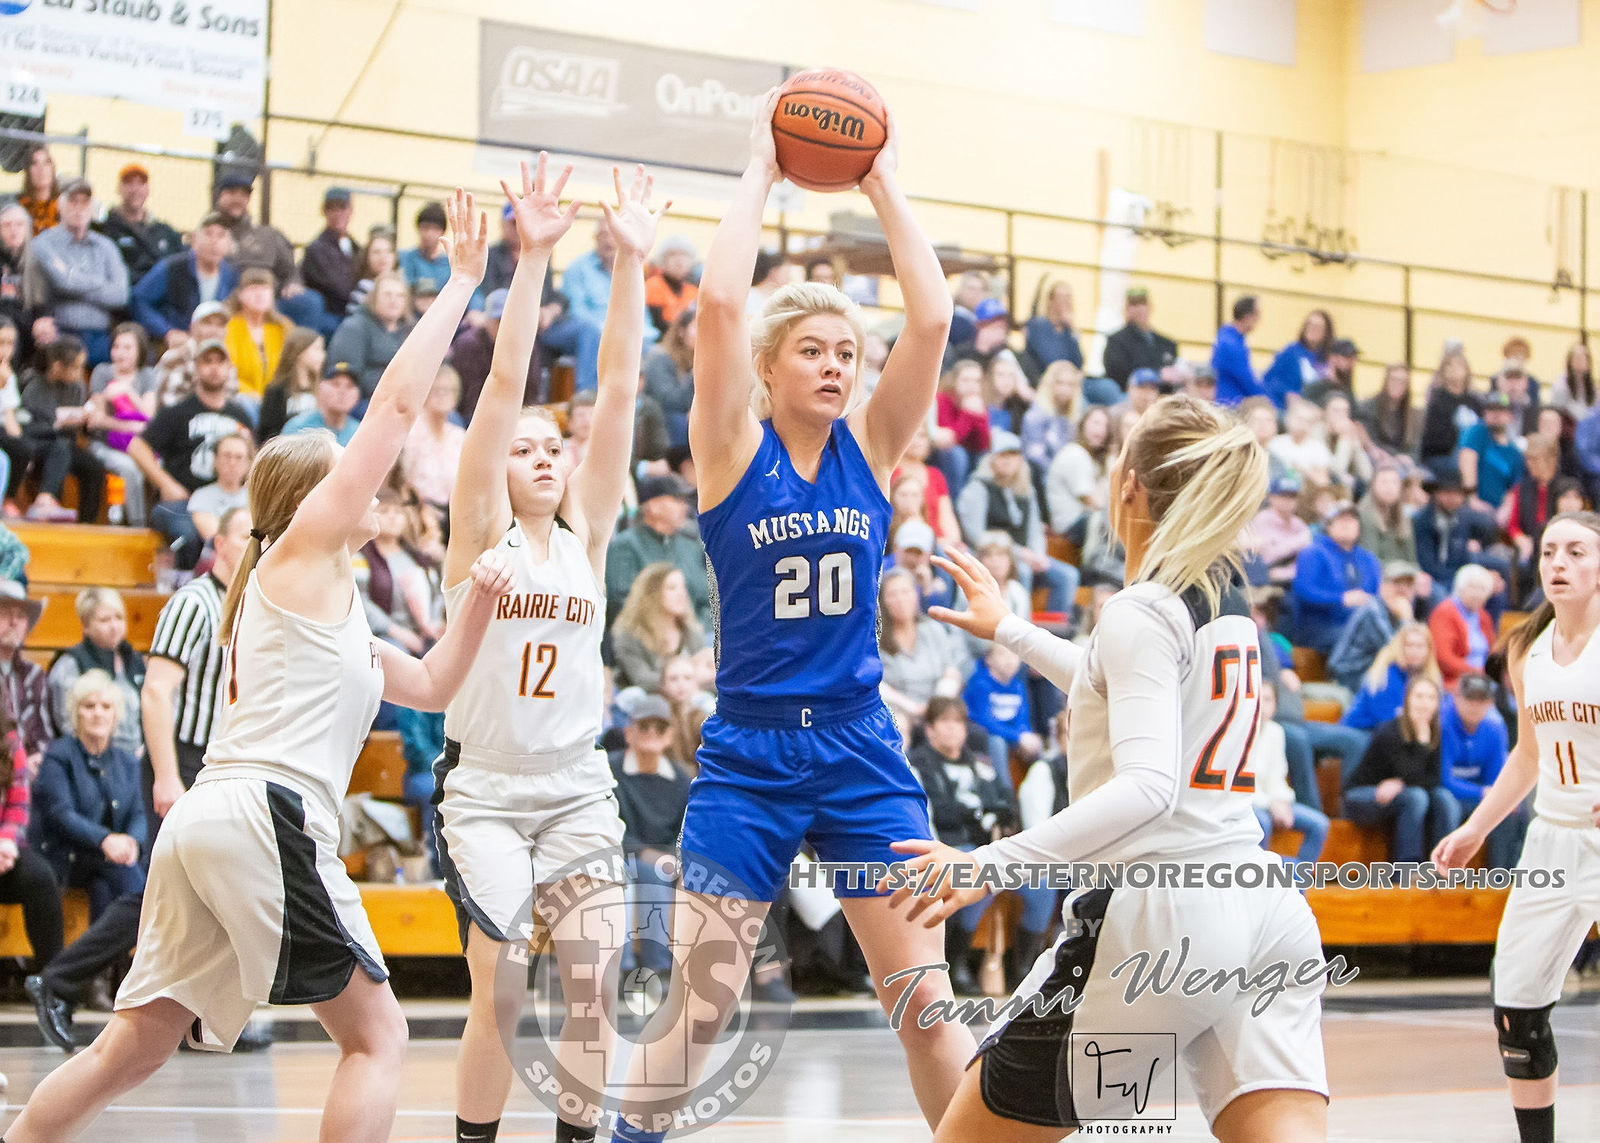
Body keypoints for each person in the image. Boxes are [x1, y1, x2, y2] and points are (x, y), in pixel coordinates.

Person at [0, 186, 511, 1143]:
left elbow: (438, 685)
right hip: (267, 812)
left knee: (134, 1046)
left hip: (213, 818)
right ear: (314, 495)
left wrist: (478, 602)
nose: (376, 479)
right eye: (352, 470)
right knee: (378, 1037)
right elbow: (398, 403)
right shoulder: (299, 552)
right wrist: (464, 284)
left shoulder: (328, 603)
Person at [613, 95, 972, 1143]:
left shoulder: (872, 448)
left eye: (846, 353)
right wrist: (762, 174)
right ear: (770, 369)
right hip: (750, 755)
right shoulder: (730, 452)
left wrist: (880, 182)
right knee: (696, 1013)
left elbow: (935, 318)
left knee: (923, 1008)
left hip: (860, 748)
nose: (833, 364)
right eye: (812, 349)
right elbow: (721, 308)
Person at [895, 393, 1328, 1141]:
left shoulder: (1143, 608)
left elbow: (1149, 788)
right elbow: (1122, 687)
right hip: (1260, 911)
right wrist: (1013, 631)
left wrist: (989, 863)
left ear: (1128, 482)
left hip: (1159, 929)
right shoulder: (1225, 594)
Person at [432, 158, 660, 1143]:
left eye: (547, 447)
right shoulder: (477, 528)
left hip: (575, 785)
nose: (537, 453)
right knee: (501, 993)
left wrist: (630, 264)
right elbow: (498, 397)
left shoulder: (591, 537)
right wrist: (529, 261)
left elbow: (618, 387)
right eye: (521, 445)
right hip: (484, 790)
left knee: (593, 987)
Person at [25, 509, 254, 1054]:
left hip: (219, 763)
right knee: (164, 892)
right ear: (217, 543)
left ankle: (194, 1015)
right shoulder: (193, 603)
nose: (255, 544)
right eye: (245, 534)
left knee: (202, 894)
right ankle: (57, 982)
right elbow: (155, 692)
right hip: (183, 759)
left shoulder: (245, 605)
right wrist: (169, 776)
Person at [1433, 512, 1600, 1143]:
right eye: (1550, 550)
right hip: (1550, 842)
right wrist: (1476, 828)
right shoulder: (1528, 648)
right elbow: (1529, 755)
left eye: (1576, 551)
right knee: (1517, 1012)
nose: (1558, 562)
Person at [906, 696, 1052, 994]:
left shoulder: (981, 763)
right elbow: (929, 819)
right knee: (980, 874)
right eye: (944, 723)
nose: (952, 730)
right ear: (930, 729)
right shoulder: (918, 765)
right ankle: (955, 963)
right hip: (946, 848)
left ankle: (1022, 968)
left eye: (957, 723)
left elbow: (1004, 803)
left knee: (1042, 880)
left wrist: (999, 816)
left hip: (988, 847)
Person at [30, 669, 147, 919]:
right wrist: (105, 840)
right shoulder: (58, 755)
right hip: (71, 858)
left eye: (106, 707)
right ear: (76, 712)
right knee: (131, 883)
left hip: (113, 861)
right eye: (89, 706)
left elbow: (139, 812)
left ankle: (104, 959)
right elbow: (60, 814)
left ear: (116, 715)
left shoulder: (127, 762)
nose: (98, 713)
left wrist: (132, 843)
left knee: (104, 889)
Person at [129, 338, 254, 567]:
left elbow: (253, 458)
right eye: (207, 361)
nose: (214, 367)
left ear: (229, 368)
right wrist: (165, 483)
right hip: (184, 502)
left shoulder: (241, 416)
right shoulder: (177, 413)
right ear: (196, 368)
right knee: (189, 537)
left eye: (220, 361)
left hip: (229, 500)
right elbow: (137, 447)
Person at [608, 694, 692, 991]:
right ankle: (635, 968)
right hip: (615, 855)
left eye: (660, 727)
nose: (652, 734)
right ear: (629, 732)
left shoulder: (682, 780)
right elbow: (607, 823)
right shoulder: (610, 771)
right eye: (644, 726)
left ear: (670, 735)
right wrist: (645, 854)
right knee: (645, 872)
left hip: (664, 861)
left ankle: (652, 968)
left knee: (659, 872)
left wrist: (672, 858)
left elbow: (686, 831)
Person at [956, 430, 1079, 613]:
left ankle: (1056, 633)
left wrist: (1038, 555)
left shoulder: (1026, 491)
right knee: (1022, 571)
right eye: (1002, 455)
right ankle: (1019, 626)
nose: (1007, 460)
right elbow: (976, 535)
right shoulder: (978, 488)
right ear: (992, 458)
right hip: (992, 554)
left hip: (1027, 556)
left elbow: (1035, 529)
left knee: (1067, 575)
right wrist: (1020, 554)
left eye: (1013, 455)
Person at [1344, 674, 1460, 862]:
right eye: (1419, 696)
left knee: (1444, 798)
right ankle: (1407, 869)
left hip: (1403, 796)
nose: (1424, 703)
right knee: (1416, 796)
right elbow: (1408, 774)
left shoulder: (1438, 732)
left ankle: (1442, 864)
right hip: (1363, 794)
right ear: (1407, 700)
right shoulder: (1390, 731)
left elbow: (1434, 780)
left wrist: (1401, 783)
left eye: (1431, 698)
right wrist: (1422, 742)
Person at [46, 587, 145, 760]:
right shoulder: (70, 665)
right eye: (105, 620)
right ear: (86, 626)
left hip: (139, 759)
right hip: (91, 761)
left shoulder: (135, 661)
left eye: (119, 617)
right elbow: (68, 726)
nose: (114, 626)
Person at [603, 474, 710, 631]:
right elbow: (620, 603)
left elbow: (707, 600)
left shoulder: (689, 545)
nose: (684, 507)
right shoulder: (625, 545)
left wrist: (698, 634)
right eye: (676, 500)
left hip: (696, 639)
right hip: (644, 642)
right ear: (653, 506)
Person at [1439, 672, 1523, 872]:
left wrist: (1495, 798)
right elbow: (1442, 779)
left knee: (1511, 811)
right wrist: (1482, 793)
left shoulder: (1494, 728)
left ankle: (1501, 878)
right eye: (1469, 699)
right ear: (1457, 697)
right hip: (1448, 792)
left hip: (1476, 794)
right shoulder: (1441, 723)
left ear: (1490, 702)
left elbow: (1495, 777)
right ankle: (1442, 872)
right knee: (1444, 802)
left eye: (1481, 700)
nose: (1474, 706)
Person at [130, 212, 239, 350]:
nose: (214, 241)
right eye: (208, 234)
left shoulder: (231, 276)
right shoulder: (172, 267)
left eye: (221, 235)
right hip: (177, 347)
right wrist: (166, 331)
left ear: (229, 244)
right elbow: (138, 299)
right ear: (194, 240)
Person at [1250, 684, 1328, 871]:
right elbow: (1240, 787)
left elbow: (1277, 776)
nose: (1262, 704)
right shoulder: (1237, 732)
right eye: (1257, 697)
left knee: (1319, 824)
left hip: (1271, 801)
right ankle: (1259, 884)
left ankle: (1297, 881)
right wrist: (1271, 804)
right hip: (1248, 802)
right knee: (1263, 822)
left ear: (1275, 705)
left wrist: (1281, 801)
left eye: (1268, 699)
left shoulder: (1276, 732)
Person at [1290, 501, 1382, 655]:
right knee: (1360, 641)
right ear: (1328, 525)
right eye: (1341, 519)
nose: (1347, 524)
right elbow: (1303, 590)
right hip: (1321, 626)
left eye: (1352, 520)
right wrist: (1340, 599)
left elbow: (1376, 593)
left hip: (1362, 625)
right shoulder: (1313, 553)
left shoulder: (1368, 559)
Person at [610, 562, 709, 693]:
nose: (682, 594)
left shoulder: (691, 632)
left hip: (691, 700)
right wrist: (686, 678)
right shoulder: (630, 635)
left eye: (683, 588)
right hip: (646, 701)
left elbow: (708, 678)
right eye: (672, 588)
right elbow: (642, 680)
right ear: (652, 594)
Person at [1328, 561, 1420, 691]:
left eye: (1408, 585)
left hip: (1375, 669)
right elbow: (1399, 651)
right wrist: (1407, 619)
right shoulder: (1372, 610)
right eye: (1397, 584)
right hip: (1349, 675)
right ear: (1382, 587)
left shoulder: (1398, 611)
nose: (1403, 590)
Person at [1342, 622, 1443, 735]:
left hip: (1395, 736)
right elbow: (1388, 721)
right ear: (1400, 648)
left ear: (1429, 650)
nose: (1414, 651)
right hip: (1361, 733)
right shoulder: (1385, 675)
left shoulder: (1432, 676)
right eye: (1409, 645)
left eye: (1420, 646)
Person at [329, 272, 414, 401]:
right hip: (367, 402)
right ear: (374, 298)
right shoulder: (354, 327)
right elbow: (348, 374)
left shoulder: (413, 329)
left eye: (400, 296)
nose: (393, 300)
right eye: (387, 294)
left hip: (409, 399)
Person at [93, 165, 181, 286]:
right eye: (129, 183)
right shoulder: (106, 229)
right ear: (119, 188)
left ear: (148, 189)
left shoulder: (164, 231)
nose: (135, 189)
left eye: (141, 183)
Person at [222, 267, 290, 403]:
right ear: (240, 295)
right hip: (239, 398)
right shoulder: (229, 328)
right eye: (253, 289)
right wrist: (252, 395)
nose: (259, 294)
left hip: (276, 401)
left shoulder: (282, 329)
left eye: (265, 289)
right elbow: (226, 371)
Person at [1429, 563, 1497, 691]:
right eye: (1471, 588)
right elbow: (1444, 658)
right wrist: (1476, 672)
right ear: (1460, 589)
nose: (1476, 594)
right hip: (1454, 682)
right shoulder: (1445, 612)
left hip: (1482, 680)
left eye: (1481, 589)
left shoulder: (1484, 616)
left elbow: (1491, 653)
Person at [301, 187, 362, 327]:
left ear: (350, 210)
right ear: (324, 211)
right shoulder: (316, 250)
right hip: (334, 315)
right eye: (331, 208)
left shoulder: (355, 247)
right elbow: (340, 288)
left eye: (342, 207)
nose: (337, 213)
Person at [257, 327, 325, 443]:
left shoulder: (323, 388)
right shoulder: (276, 390)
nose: (322, 356)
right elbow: (268, 432)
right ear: (299, 351)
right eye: (317, 349)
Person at [1460, 392, 1526, 513]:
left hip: (1498, 510)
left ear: (1510, 415)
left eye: (1501, 410)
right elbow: (1468, 459)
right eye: (1491, 409)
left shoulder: (1514, 452)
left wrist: (1505, 510)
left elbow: (1513, 488)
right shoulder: (1477, 432)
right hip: (1471, 505)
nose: (1496, 414)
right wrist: (1472, 498)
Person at [1100, 285, 1177, 388]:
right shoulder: (1116, 341)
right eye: (1134, 304)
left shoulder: (1167, 343)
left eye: (1142, 304)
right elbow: (1117, 374)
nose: (1139, 309)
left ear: (1150, 307)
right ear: (1126, 309)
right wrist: (1158, 374)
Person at [1419, 348, 1481, 473]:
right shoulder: (1437, 400)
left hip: (1471, 455)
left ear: (1466, 370)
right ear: (1443, 371)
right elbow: (1432, 440)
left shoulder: (1475, 401)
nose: (1454, 369)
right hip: (1442, 456)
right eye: (1449, 365)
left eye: (1459, 365)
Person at [1263, 309, 1334, 409]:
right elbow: (1269, 379)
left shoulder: (1329, 359)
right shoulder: (1291, 351)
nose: (1312, 329)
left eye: (1317, 327)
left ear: (1326, 332)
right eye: (1309, 325)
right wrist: (1287, 393)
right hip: (1285, 408)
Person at [283, 362, 362, 446]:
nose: (342, 391)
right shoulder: (298, 428)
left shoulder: (359, 433)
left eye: (350, 386)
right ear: (320, 387)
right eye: (335, 384)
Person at [1211, 294, 1265, 405]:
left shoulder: (1228, 336)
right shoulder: (1231, 344)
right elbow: (1247, 381)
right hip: (1230, 405)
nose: (1259, 320)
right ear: (1247, 317)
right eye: (1258, 315)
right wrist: (1267, 400)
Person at [1022, 280, 1082, 373]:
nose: (1067, 302)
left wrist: (1072, 330)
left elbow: (1079, 363)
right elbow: (1050, 359)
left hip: (1068, 380)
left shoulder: (1068, 330)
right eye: (1061, 297)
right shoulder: (1037, 325)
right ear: (1050, 301)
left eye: (1068, 297)